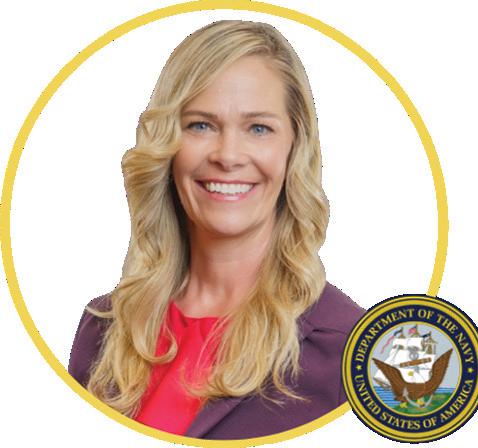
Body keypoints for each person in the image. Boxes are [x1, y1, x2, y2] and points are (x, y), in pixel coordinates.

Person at [68, 19, 365, 440]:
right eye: (201, 125)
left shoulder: (349, 351)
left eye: (258, 128)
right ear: (168, 145)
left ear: (294, 148)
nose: (228, 155)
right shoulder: (103, 328)